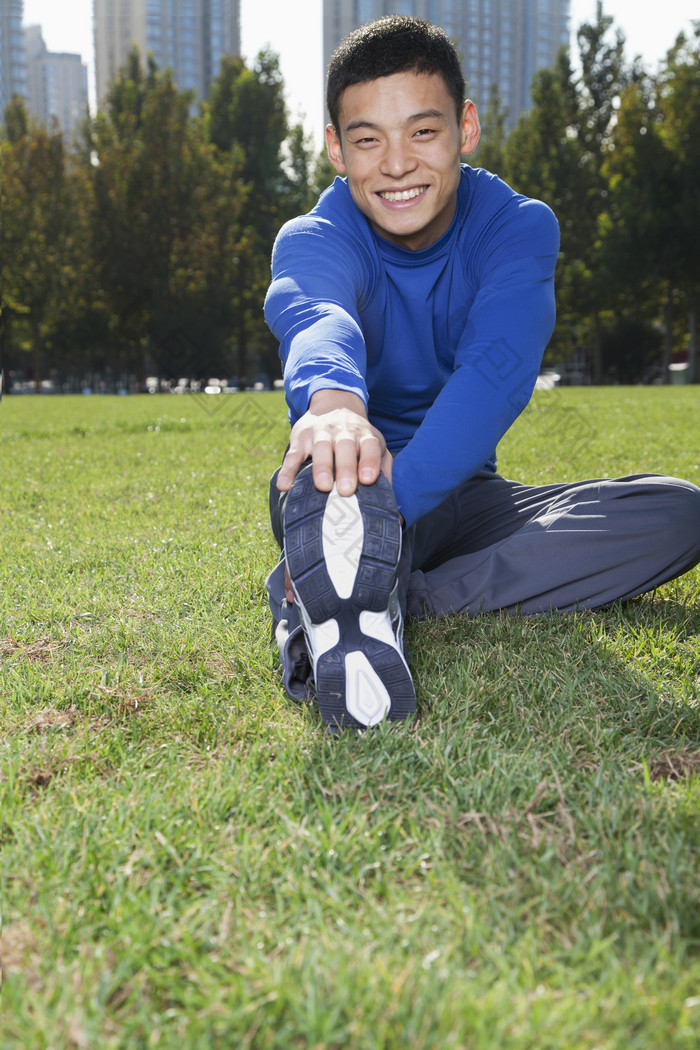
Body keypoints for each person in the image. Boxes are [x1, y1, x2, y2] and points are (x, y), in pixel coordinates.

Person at [264, 15, 700, 731]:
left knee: (677, 511)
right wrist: (334, 405)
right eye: (368, 139)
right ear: (336, 151)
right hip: (342, 479)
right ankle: (345, 567)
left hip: (465, 495)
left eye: (422, 131)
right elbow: (317, 318)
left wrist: (387, 523)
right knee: (333, 497)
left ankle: (379, 593)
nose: (397, 163)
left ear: (465, 128)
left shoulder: (517, 228)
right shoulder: (315, 237)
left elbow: (497, 372)